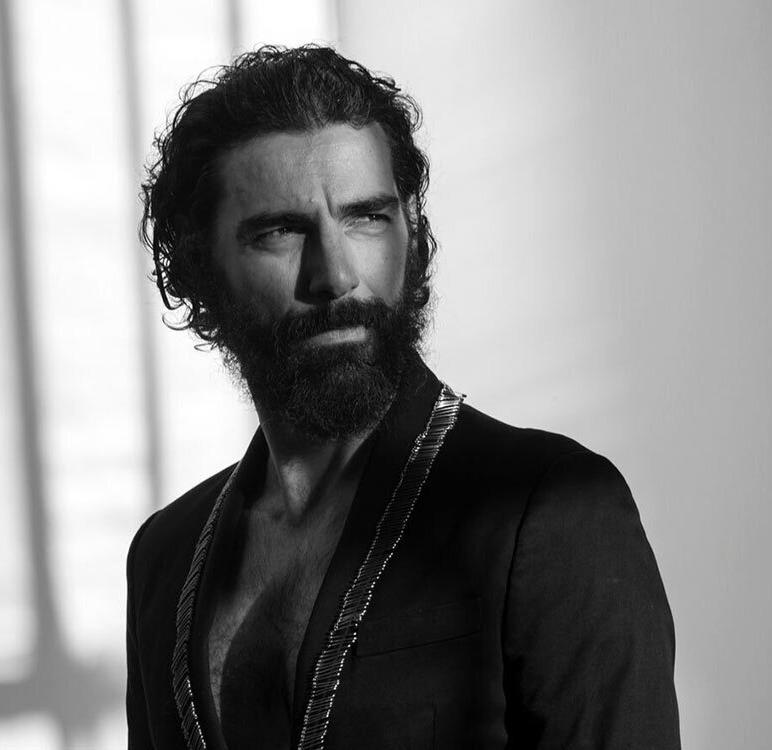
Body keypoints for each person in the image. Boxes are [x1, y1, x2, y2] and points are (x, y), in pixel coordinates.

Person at [126, 45, 680, 750]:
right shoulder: (165, 556)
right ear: (197, 265)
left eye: (366, 217)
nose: (336, 275)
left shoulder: (551, 511)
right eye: (280, 231)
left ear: (411, 228)